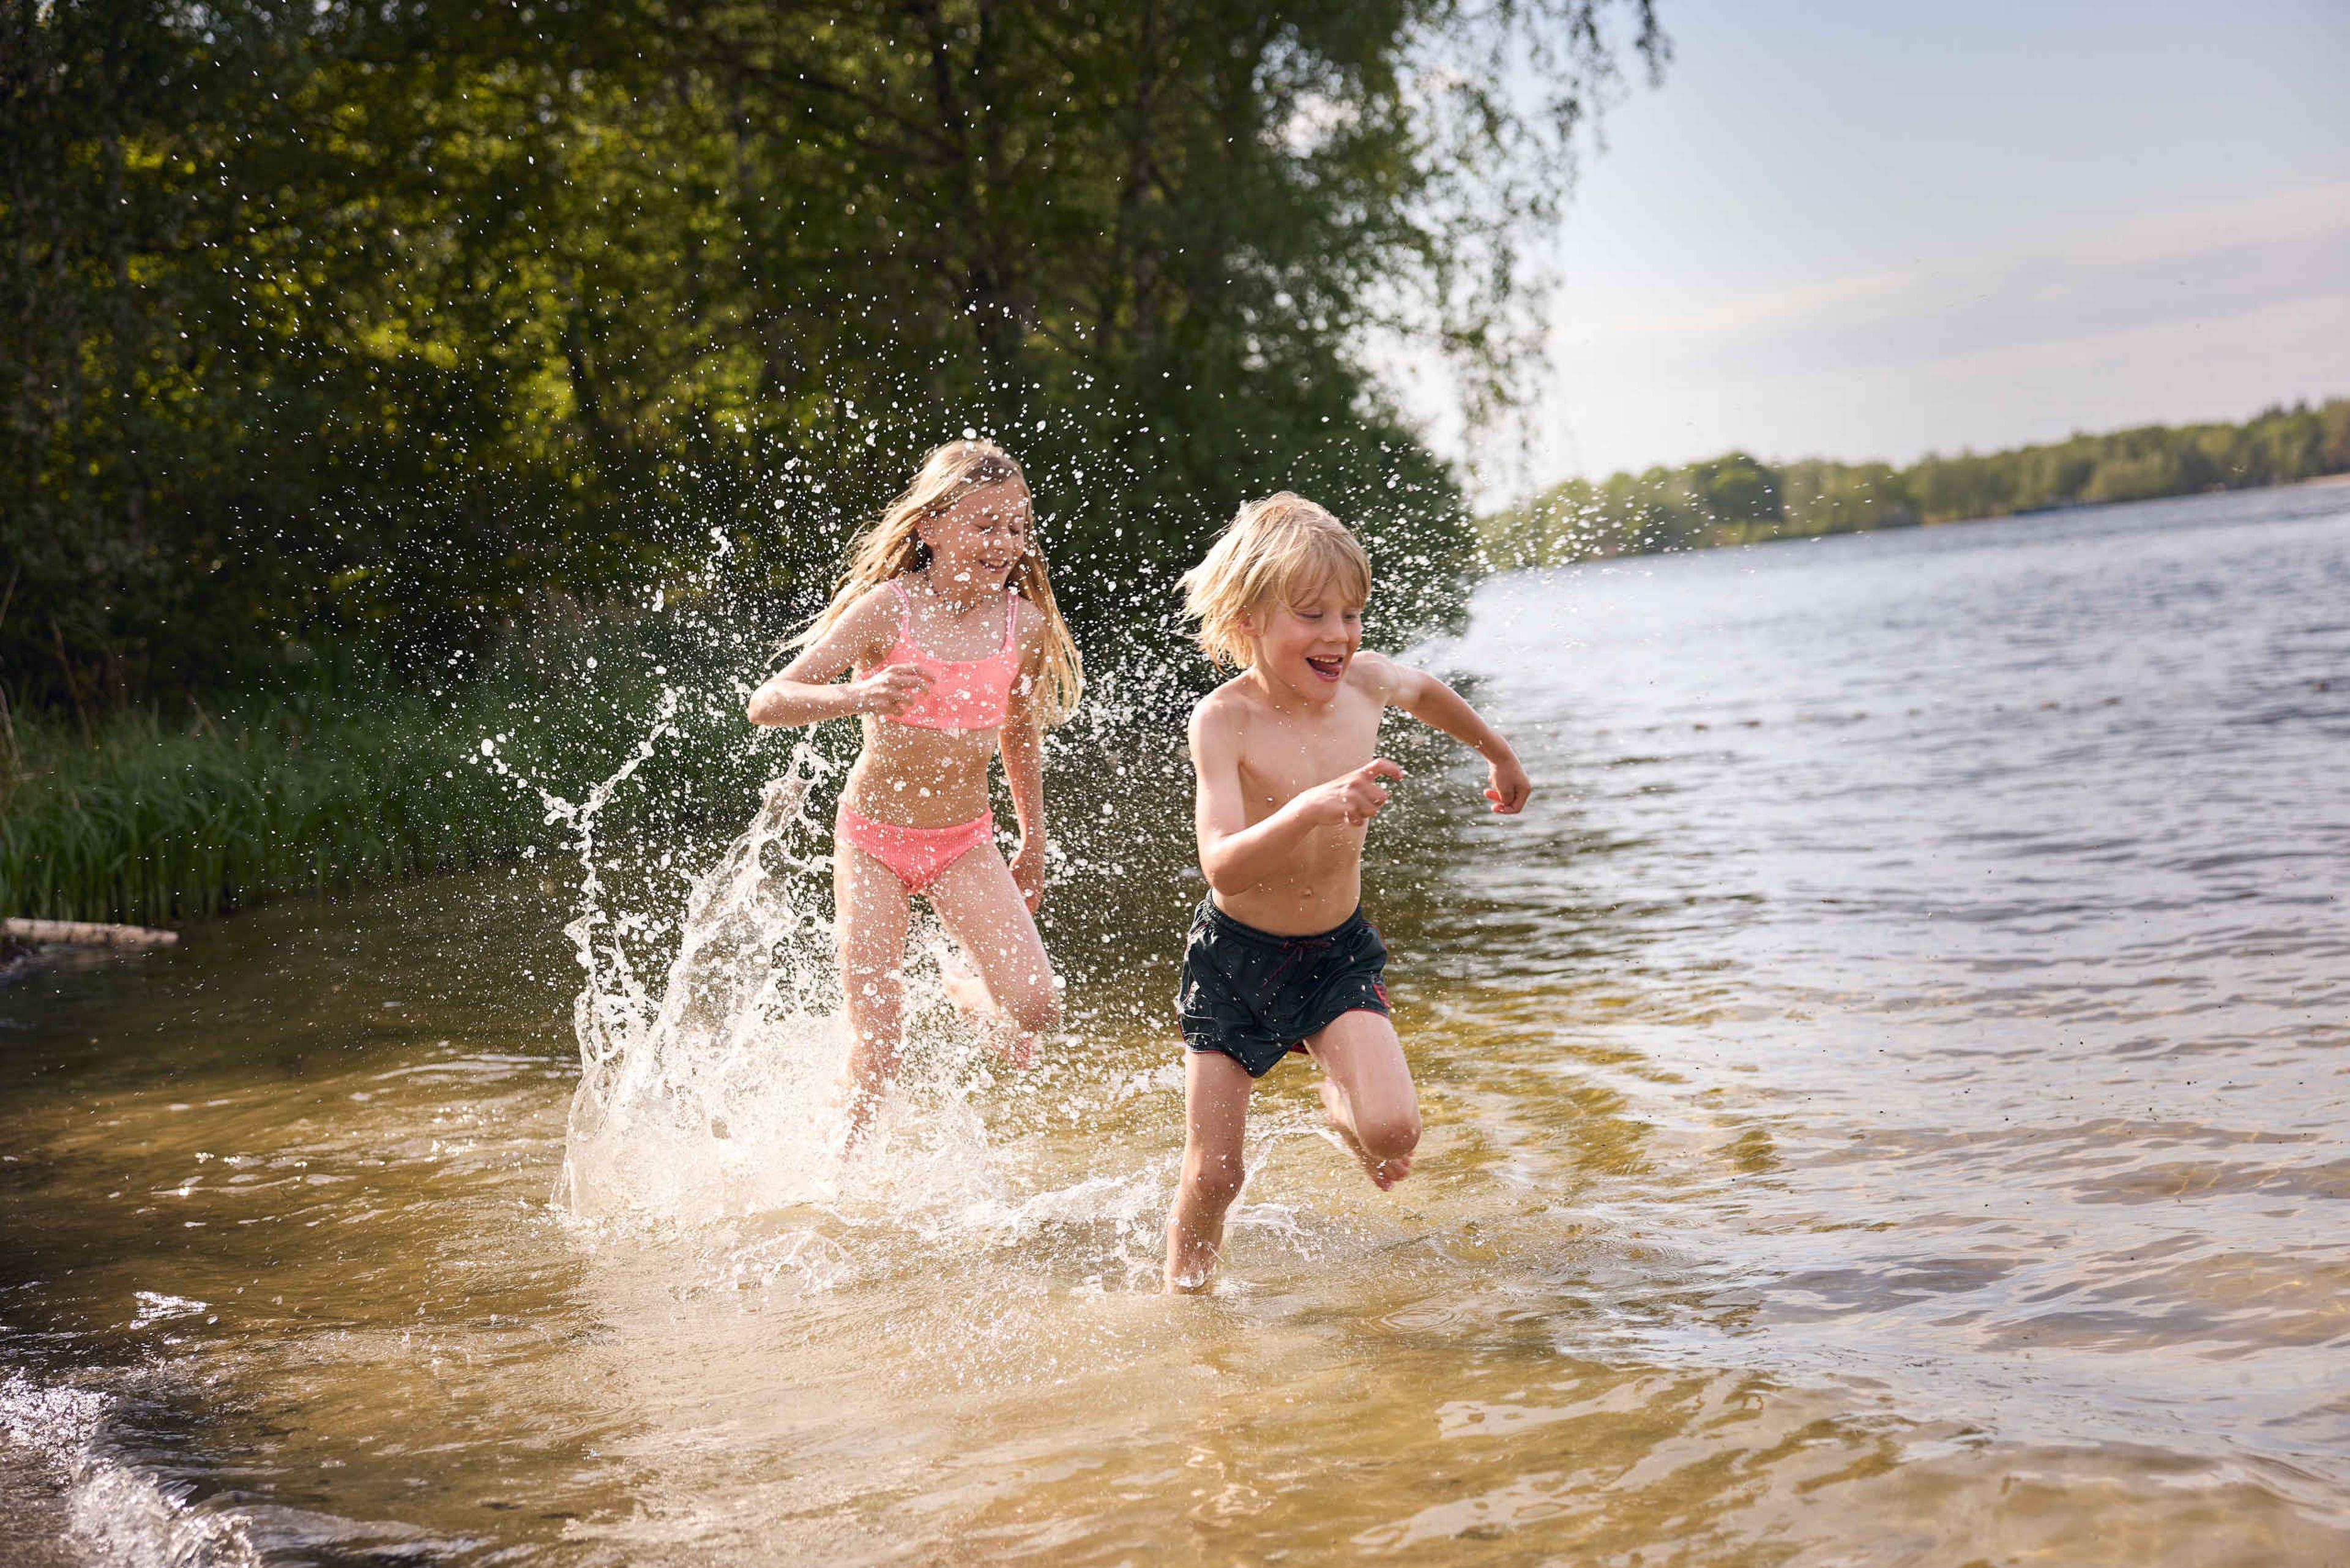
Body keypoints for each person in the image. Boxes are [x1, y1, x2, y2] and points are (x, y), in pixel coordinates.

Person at [1165, 493, 1531, 1291]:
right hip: (1234, 960)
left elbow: (1426, 690)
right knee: (1216, 1172)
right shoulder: (1222, 721)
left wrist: (1498, 755)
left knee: (1394, 1132)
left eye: (1351, 612)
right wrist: (1311, 806)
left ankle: (1341, 1093)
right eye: (1310, 613)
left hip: (1333, 953)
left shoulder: (1364, 684)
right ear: (1249, 617)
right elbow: (1221, 864)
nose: (1337, 634)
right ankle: (1187, 1307)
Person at [747, 439, 1083, 1140]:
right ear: (929, 526)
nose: (1006, 542)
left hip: (963, 842)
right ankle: (846, 1178)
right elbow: (769, 701)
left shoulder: (1022, 625)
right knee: (880, 1034)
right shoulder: (887, 611)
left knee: (1037, 1006)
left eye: (1018, 526)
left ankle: (971, 996)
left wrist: (1034, 837)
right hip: (871, 841)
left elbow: (1018, 732)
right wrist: (859, 693)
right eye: (985, 524)